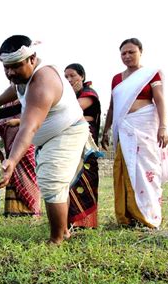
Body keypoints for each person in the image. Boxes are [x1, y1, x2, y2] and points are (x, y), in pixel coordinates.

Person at [0, 35, 92, 245]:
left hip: (67, 132)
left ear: (32, 59)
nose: (10, 73)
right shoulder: (22, 78)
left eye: (15, 67)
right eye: (6, 68)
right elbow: (14, 89)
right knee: (56, 185)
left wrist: (12, 160)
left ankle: (57, 239)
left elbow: (29, 127)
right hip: (52, 137)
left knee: (52, 184)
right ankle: (64, 232)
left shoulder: (42, 82)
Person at [101, 38, 168, 229]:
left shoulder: (150, 74)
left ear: (140, 52)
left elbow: (160, 100)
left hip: (146, 127)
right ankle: (127, 217)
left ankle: (148, 218)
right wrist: (106, 130)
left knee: (146, 171)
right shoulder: (117, 79)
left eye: (131, 52)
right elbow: (112, 106)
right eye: (123, 53)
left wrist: (163, 126)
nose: (127, 56)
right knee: (124, 170)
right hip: (124, 128)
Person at [64, 63, 101, 228]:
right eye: (65, 77)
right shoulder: (67, 97)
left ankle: (85, 222)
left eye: (72, 75)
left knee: (85, 177)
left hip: (85, 143)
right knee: (70, 178)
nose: (69, 79)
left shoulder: (88, 93)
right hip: (70, 142)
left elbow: (72, 112)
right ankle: (71, 220)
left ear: (82, 76)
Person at [0, 100, 41, 216]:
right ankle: (13, 210)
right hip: (11, 148)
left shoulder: (28, 99)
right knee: (11, 174)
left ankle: (32, 209)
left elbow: (38, 118)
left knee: (29, 176)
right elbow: (1, 125)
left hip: (27, 144)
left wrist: (18, 121)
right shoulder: (6, 105)